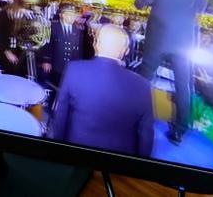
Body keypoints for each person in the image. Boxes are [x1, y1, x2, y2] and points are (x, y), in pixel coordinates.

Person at [134, 0, 210, 144]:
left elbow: (140, 4)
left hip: (158, 39)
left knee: (144, 80)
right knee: (183, 85)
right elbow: (203, 6)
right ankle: (179, 131)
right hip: (184, 42)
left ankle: (134, 119)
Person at [50, 25, 155, 157]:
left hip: (76, 153)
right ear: (126, 51)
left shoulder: (74, 69)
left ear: (96, 45)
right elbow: (146, 135)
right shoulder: (143, 85)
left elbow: (60, 115)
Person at [38, 3, 84, 90]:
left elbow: (79, 49)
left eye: (74, 15)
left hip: (70, 67)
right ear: (62, 15)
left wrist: (79, 65)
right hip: (56, 65)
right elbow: (48, 44)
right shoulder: (53, 27)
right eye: (70, 15)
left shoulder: (78, 30)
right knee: (53, 87)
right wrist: (46, 60)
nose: (73, 17)